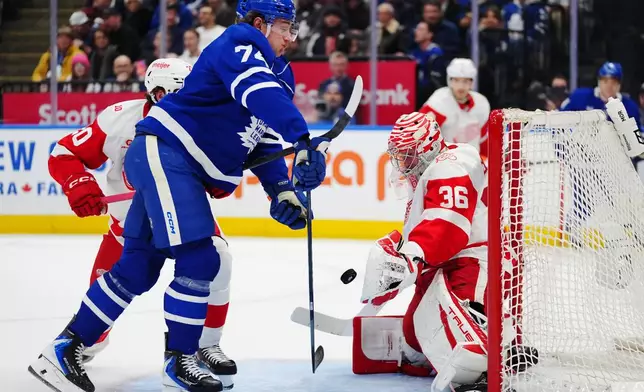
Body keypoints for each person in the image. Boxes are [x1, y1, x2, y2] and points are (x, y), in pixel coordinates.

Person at [28, 0, 329, 391]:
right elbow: (258, 94)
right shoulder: (238, 43)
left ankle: (63, 349)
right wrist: (303, 137)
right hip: (166, 156)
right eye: (285, 27)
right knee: (202, 257)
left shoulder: (277, 73)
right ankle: (181, 360)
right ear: (259, 23)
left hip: (173, 164)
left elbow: (259, 138)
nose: (292, 36)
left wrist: (281, 189)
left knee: (136, 268)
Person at [351, 112, 538, 391]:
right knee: (414, 340)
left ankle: (487, 359)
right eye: (399, 155)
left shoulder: (452, 164)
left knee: (452, 331)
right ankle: (496, 343)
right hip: (445, 263)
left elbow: (447, 224)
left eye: (408, 155)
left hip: (476, 261)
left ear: (426, 146)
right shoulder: (431, 171)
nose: (403, 163)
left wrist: (412, 257)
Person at [419, 58, 491, 158]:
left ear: (471, 82)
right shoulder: (439, 101)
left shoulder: (481, 103)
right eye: (456, 80)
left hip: (474, 163)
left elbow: (483, 140)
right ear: (450, 80)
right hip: (445, 163)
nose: (460, 86)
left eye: (465, 81)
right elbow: (420, 132)